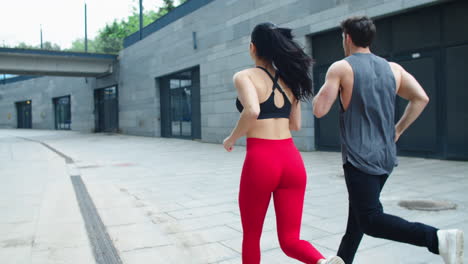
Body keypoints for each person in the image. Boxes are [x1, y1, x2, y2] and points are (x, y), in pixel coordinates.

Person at [312, 16, 464, 264]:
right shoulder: (394, 69)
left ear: (347, 38)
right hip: (385, 156)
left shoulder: (341, 68)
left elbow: (319, 110)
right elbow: (421, 98)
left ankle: (437, 239)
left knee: (370, 219)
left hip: (360, 158)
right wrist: (399, 129)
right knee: (358, 219)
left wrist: (327, 84)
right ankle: (342, 260)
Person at [223, 22, 344, 264]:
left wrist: (231, 138)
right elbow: (295, 125)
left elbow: (252, 111)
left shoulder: (244, 76)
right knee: (290, 240)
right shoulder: (289, 79)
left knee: (251, 236)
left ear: (252, 48)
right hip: (292, 161)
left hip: (262, 161)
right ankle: (322, 262)